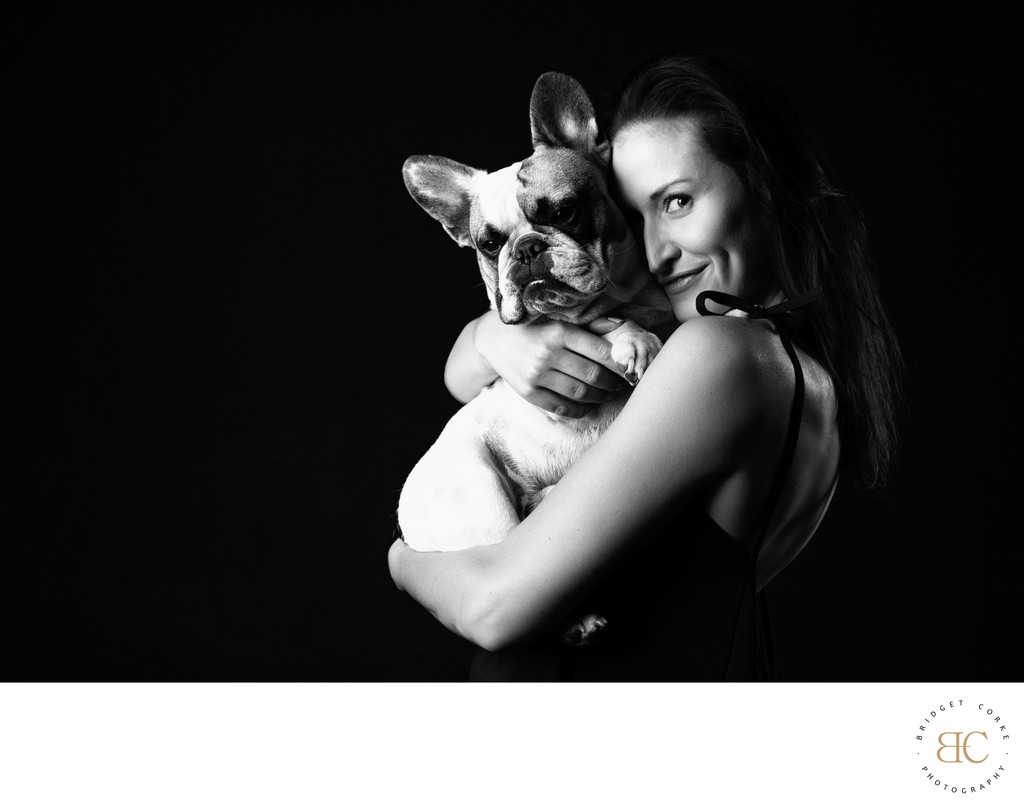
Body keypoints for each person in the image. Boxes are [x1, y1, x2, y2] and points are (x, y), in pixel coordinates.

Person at [387, 49, 904, 681]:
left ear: (763, 183)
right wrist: (488, 337)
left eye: (678, 202)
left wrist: (399, 561)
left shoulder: (721, 353)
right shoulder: (794, 369)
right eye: (634, 215)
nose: (654, 249)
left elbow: (495, 607)